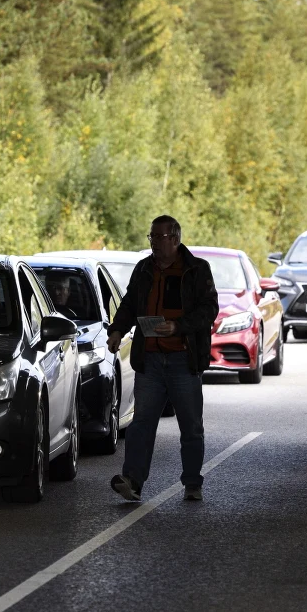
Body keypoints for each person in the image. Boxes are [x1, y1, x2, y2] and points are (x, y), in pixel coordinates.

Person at [106, 215, 219, 502]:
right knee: (141, 423)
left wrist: (178, 326)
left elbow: (209, 309)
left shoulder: (196, 269)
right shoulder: (144, 269)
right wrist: (117, 330)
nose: (154, 242)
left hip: (184, 359)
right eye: (151, 237)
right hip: (151, 360)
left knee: (191, 426)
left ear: (175, 238)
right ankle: (132, 480)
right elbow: (130, 302)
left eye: (159, 236)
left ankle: (192, 482)